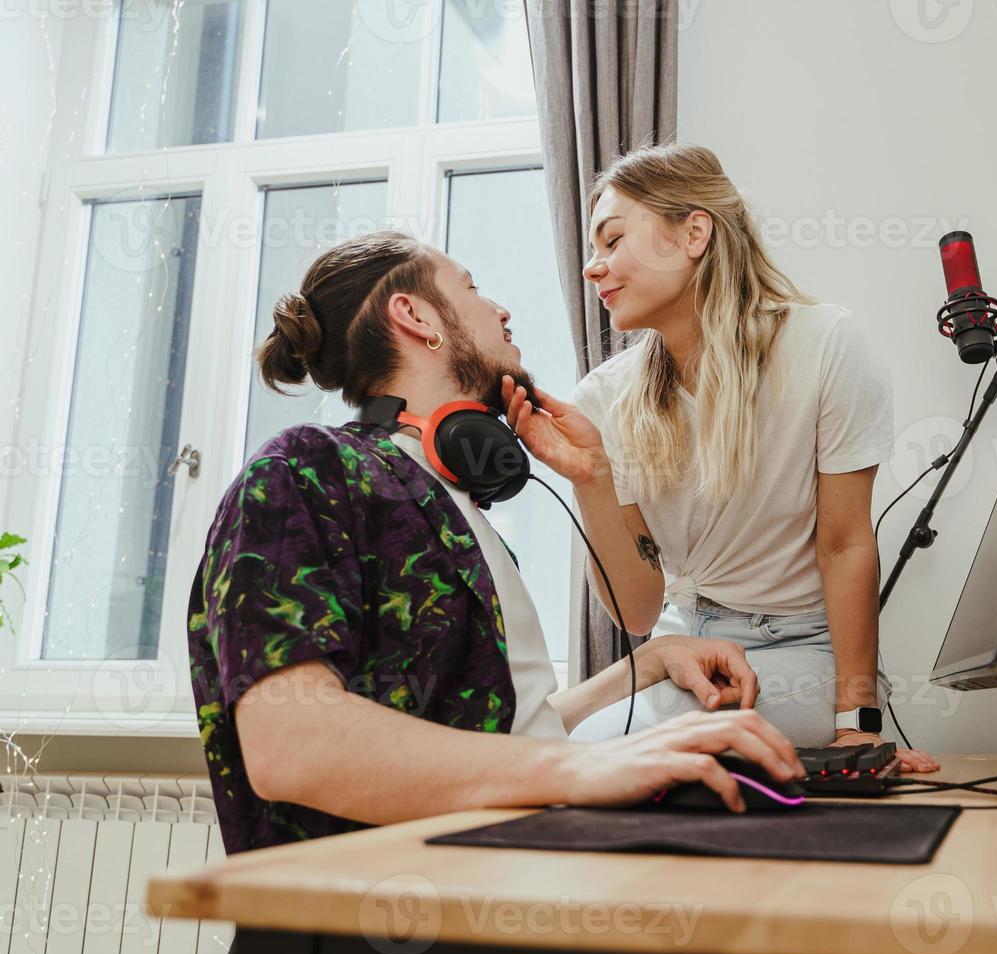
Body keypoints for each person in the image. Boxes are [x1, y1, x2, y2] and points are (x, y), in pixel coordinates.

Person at [187, 229, 804, 863]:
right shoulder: (305, 470)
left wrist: (648, 661)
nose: (500, 309)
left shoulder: (451, 502)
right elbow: (295, 747)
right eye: (472, 288)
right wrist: (584, 769)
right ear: (416, 314)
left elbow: (502, 728)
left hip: (514, 873)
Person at [499, 145, 938, 771]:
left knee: (622, 742)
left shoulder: (825, 347)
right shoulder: (604, 397)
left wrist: (858, 724)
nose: (594, 269)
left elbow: (845, 546)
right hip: (683, 648)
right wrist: (592, 478)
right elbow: (637, 611)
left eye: (613, 239)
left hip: (807, 648)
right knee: (607, 744)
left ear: (694, 233)